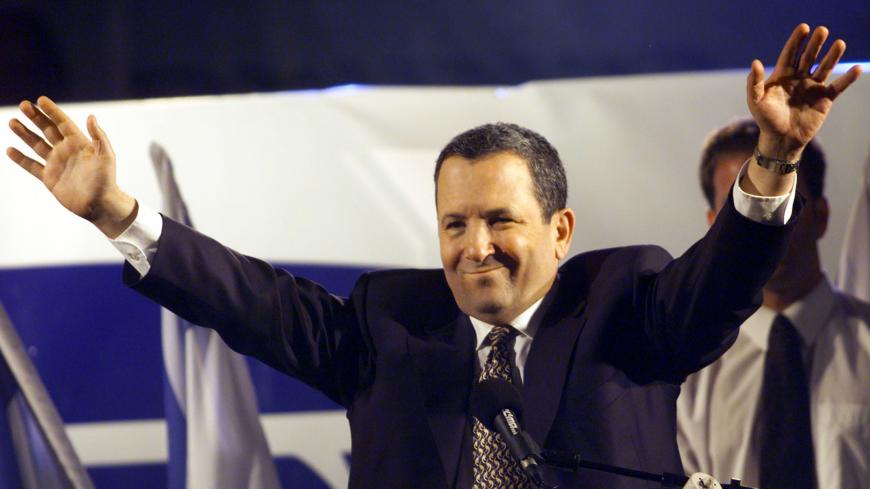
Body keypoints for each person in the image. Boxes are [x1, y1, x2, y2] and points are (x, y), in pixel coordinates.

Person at [6, 24, 861, 489]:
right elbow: (250, 301)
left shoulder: (624, 302)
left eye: (498, 220)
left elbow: (718, 285)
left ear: (560, 231)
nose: (473, 246)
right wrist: (116, 212)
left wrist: (775, 160)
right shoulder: (389, 322)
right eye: (454, 224)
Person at [678, 119, 870, 489]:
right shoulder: (688, 373)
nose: (765, 223)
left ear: (821, 214)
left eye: (784, 202)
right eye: (742, 208)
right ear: (713, 227)